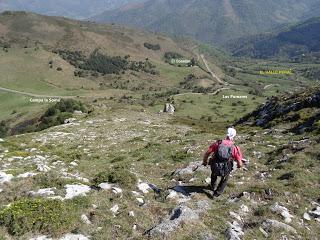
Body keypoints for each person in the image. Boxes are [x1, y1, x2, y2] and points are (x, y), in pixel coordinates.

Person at [202, 127, 243, 197]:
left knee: (214, 174)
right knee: (225, 178)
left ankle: (213, 186)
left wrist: (205, 162)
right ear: (233, 136)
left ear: (226, 134)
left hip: (215, 165)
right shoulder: (234, 147)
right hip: (226, 167)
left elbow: (207, 153)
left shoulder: (218, 143)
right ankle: (217, 193)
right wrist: (239, 166)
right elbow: (239, 162)